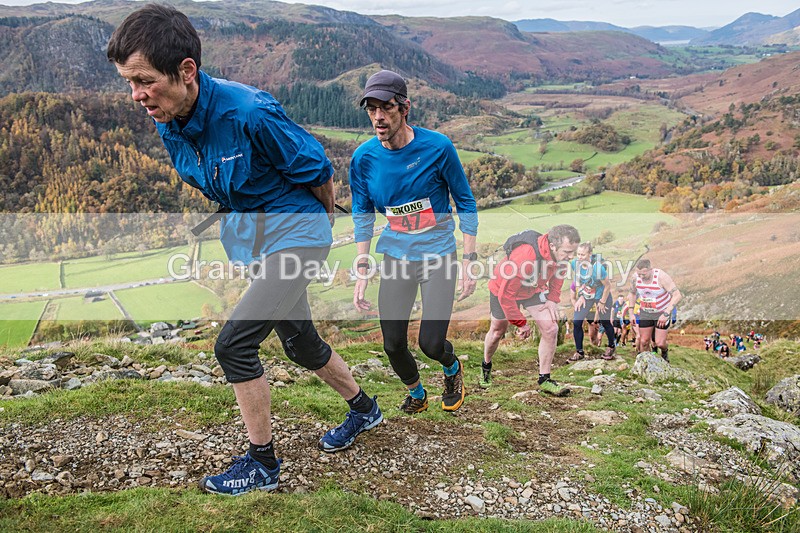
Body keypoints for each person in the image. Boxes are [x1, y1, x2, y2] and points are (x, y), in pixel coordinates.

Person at [108, 5, 382, 496]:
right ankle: (365, 409)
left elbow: (317, 170)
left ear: (186, 71)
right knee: (300, 343)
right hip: (255, 237)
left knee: (233, 344)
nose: (137, 95)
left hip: (297, 235)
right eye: (129, 82)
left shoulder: (250, 112)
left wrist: (312, 234)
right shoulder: (168, 116)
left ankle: (262, 464)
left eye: (144, 80)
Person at [350, 70, 478, 413]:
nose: (378, 117)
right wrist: (362, 266)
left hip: (438, 255)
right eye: (371, 109)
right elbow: (362, 212)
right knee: (392, 343)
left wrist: (470, 259)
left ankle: (451, 368)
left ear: (404, 107)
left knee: (431, 344)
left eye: (386, 108)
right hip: (396, 256)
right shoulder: (363, 158)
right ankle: (417, 393)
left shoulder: (438, 147)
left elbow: (465, 202)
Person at [482, 225, 580, 395]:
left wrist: (552, 299)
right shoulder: (525, 257)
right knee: (498, 330)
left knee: (551, 328)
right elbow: (506, 296)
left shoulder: (560, 258)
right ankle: (486, 366)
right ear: (552, 245)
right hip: (502, 289)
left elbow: (558, 275)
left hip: (532, 289)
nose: (571, 257)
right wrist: (521, 323)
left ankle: (545, 379)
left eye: (573, 252)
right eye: (567, 252)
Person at [568, 243, 616, 361]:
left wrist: (603, 302)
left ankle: (611, 346)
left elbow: (608, 286)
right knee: (577, 321)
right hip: (587, 294)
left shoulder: (598, 268)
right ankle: (579, 351)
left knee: (605, 322)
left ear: (589, 254)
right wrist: (581, 295)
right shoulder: (575, 264)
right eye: (578, 254)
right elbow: (579, 279)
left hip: (601, 295)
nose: (579, 257)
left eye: (583, 255)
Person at [627, 259, 682, 362]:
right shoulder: (635, 278)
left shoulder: (661, 277)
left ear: (650, 270)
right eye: (639, 274)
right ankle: (647, 364)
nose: (641, 277)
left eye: (644, 274)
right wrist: (631, 313)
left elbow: (677, 295)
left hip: (661, 312)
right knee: (643, 341)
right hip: (645, 312)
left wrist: (666, 313)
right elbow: (632, 293)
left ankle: (665, 351)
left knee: (660, 343)